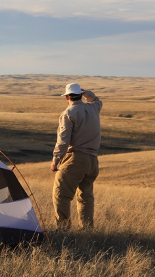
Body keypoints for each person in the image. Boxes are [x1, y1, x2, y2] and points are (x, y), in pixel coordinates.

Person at [51, 83, 102, 230]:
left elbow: (63, 140)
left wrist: (56, 159)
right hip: (92, 161)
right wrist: (87, 93)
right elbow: (96, 99)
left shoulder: (68, 113)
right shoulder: (93, 108)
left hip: (75, 159)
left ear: (66, 97)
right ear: (81, 94)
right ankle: (87, 230)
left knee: (61, 194)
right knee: (85, 196)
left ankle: (63, 229)